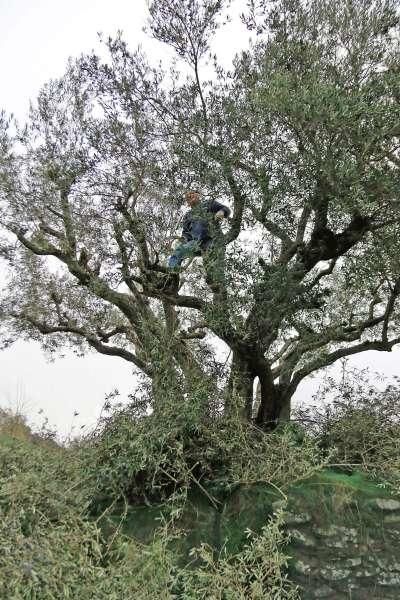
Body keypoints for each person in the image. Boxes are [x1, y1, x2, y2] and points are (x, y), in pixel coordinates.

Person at [168, 190, 231, 269]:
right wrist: (182, 242)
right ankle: (171, 272)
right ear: (188, 203)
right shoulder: (187, 216)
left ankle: (214, 277)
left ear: (198, 195)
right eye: (188, 197)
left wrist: (222, 212)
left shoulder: (209, 204)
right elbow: (185, 234)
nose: (190, 196)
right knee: (178, 251)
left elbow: (226, 209)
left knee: (213, 268)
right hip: (196, 243)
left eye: (192, 193)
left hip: (213, 240)